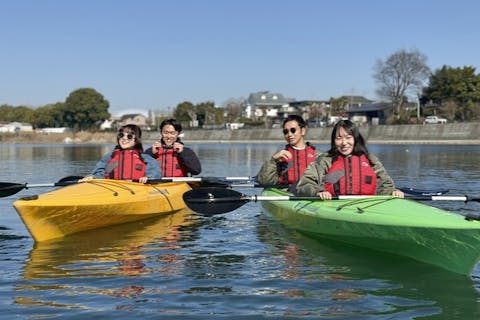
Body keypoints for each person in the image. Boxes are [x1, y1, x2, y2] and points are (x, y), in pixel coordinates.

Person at [296, 119, 404, 199]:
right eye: (339, 138)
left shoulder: (370, 160)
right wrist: (318, 193)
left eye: (348, 138)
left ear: (355, 139)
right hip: (333, 204)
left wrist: (392, 192)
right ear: (334, 141)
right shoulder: (325, 160)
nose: (344, 143)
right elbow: (304, 184)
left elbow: (385, 184)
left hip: (367, 206)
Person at [79, 124, 161, 183]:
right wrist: (93, 177)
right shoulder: (110, 157)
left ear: (136, 140)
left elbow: (155, 172)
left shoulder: (145, 158)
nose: (124, 139)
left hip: (137, 189)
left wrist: (149, 177)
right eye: (121, 135)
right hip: (113, 190)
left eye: (129, 136)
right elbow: (101, 173)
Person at [256, 115, 321, 187]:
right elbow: (264, 181)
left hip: (311, 193)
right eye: (286, 132)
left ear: (303, 131)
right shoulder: (280, 156)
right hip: (285, 192)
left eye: (293, 130)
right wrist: (273, 160)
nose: (289, 134)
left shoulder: (318, 156)